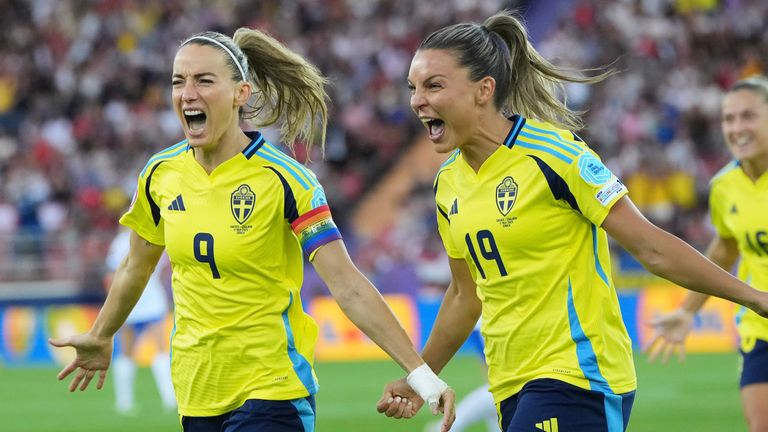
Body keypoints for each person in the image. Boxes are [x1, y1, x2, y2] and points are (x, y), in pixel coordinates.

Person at [375, 10, 768, 432]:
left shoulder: (555, 155)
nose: (417, 100)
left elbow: (651, 247)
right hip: (511, 382)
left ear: (483, 90)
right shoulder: (447, 184)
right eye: (413, 87)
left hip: (579, 374)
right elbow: (464, 295)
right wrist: (422, 376)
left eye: (433, 85)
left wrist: (755, 298)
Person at [48, 28, 456, 432]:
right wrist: (102, 335)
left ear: (241, 93)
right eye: (178, 81)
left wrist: (421, 375)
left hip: (272, 386)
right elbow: (136, 265)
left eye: (204, 80)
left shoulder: (285, 180)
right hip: (197, 391)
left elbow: (347, 284)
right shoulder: (160, 174)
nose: (187, 93)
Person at [645, 75, 768, 432]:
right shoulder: (723, 187)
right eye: (729, 119)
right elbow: (726, 248)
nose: (736, 128)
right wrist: (687, 311)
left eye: (748, 116)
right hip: (760, 327)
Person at [104, 228, 176, 414]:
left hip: (129, 301)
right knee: (160, 349)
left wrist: (113, 301)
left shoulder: (120, 241)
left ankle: (124, 402)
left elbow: (113, 273)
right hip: (150, 299)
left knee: (127, 353)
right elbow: (166, 267)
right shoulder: (157, 236)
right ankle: (169, 399)